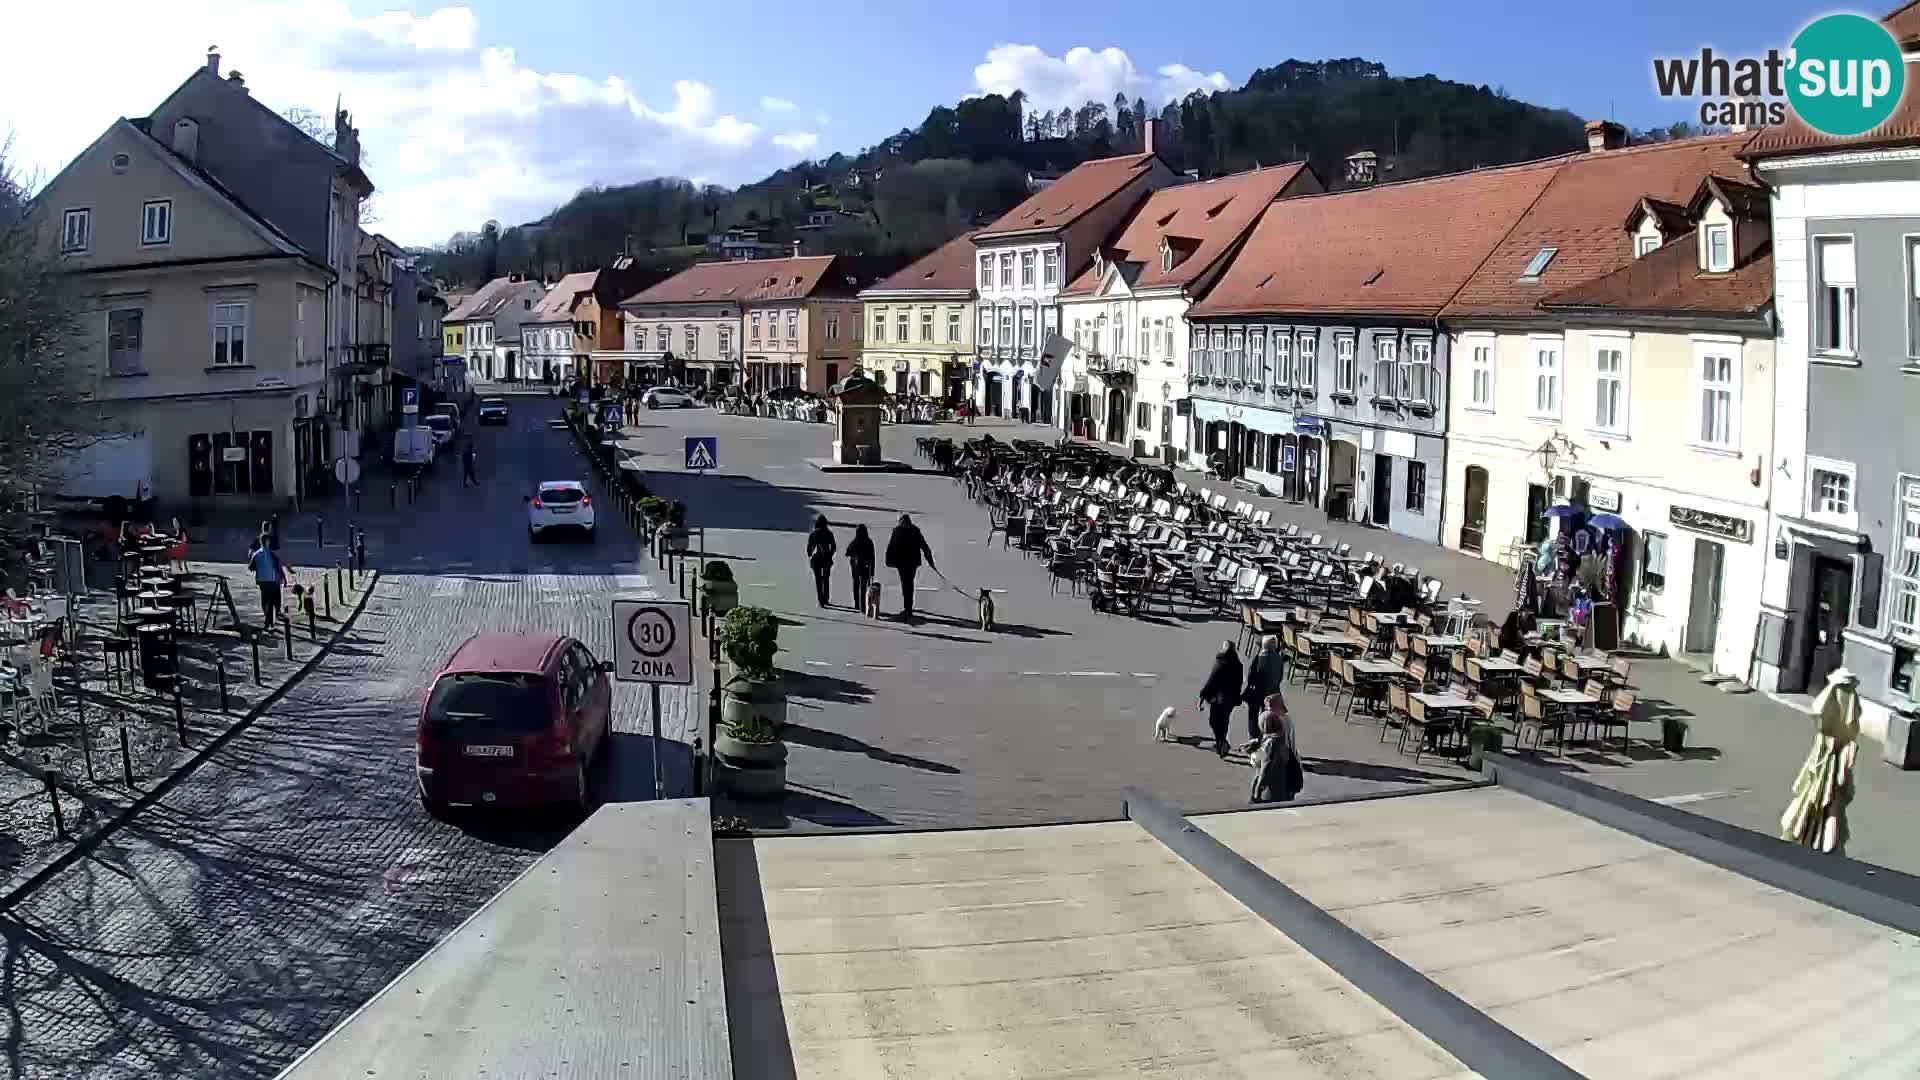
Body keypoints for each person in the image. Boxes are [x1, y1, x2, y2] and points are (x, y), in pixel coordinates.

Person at [1243, 693, 1303, 803]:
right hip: (1287, 775)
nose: (1267, 710)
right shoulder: (1280, 720)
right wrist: (1256, 742)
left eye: (1269, 707)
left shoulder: (1281, 723)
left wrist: (1257, 791)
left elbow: (1267, 765)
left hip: (1275, 783)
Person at [884, 513, 936, 619]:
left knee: (905, 584)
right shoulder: (914, 530)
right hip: (912, 563)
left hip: (902, 563)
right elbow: (924, 546)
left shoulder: (897, 531)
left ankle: (907, 608)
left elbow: (891, 547)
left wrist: (888, 560)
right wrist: (930, 560)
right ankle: (908, 607)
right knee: (909, 584)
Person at [1197, 641, 1243, 757]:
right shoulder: (1238, 664)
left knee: (1214, 721)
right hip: (1231, 698)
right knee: (1224, 721)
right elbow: (1239, 682)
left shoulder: (1220, 663)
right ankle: (1221, 743)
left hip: (1219, 699)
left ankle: (1221, 743)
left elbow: (1212, 681)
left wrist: (1202, 695)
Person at [1242, 634, 1287, 741]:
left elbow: (1250, 676)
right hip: (1272, 691)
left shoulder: (1259, 658)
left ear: (1263, 646)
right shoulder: (1279, 659)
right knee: (1267, 714)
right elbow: (1280, 677)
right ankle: (1264, 734)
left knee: (1253, 713)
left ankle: (1253, 735)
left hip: (1258, 691)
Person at [248, 534, 291, 629]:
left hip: (262, 581)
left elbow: (250, 567)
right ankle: (269, 622)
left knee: (265, 600)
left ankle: (268, 619)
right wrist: (283, 578)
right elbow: (278, 567)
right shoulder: (272, 554)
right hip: (272, 580)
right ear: (267, 542)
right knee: (271, 601)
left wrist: (259, 568)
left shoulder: (256, 554)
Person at [805, 515, 837, 607]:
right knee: (826, 579)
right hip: (827, 559)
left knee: (818, 580)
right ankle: (826, 598)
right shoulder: (829, 533)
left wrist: (810, 555)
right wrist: (829, 554)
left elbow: (809, 547)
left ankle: (820, 600)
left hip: (816, 560)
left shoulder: (814, 533)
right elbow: (834, 547)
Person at [846, 523, 876, 607]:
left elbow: (847, 552)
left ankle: (857, 604)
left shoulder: (855, 541)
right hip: (866, 567)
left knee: (856, 585)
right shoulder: (869, 541)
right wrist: (872, 570)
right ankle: (863, 605)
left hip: (856, 567)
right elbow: (872, 557)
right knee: (863, 586)